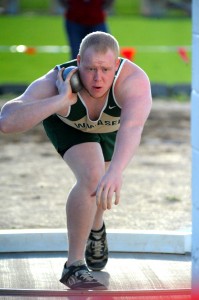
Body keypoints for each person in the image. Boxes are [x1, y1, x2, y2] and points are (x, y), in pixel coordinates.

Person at [0, 31, 152, 290]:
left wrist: (116, 171)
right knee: (93, 177)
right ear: (78, 61)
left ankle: (97, 227)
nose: (97, 77)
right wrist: (60, 100)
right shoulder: (58, 79)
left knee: (103, 182)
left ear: (116, 65)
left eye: (105, 69)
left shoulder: (133, 81)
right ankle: (74, 265)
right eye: (90, 68)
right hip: (69, 125)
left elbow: (133, 127)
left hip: (112, 129)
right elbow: (6, 121)